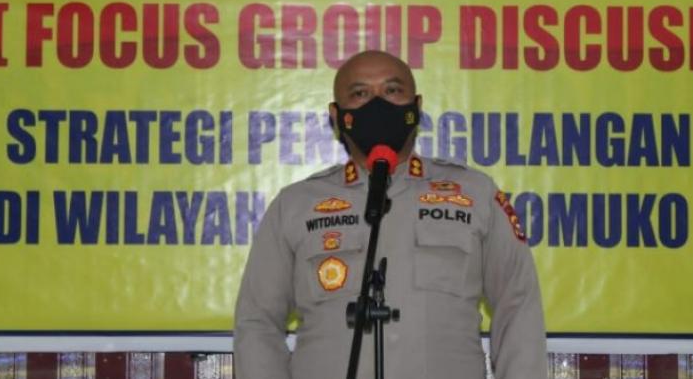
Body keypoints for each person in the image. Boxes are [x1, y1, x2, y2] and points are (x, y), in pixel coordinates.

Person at [234, 51, 547, 379]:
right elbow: (257, 321)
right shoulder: (296, 204)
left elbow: (518, 305)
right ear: (337, 115)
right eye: (360, 94)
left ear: (416, 106)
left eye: (392, 90)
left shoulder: (475, 194)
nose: (378, 104)